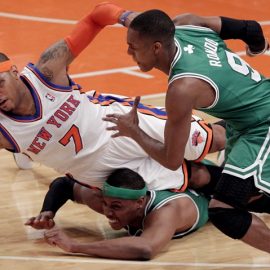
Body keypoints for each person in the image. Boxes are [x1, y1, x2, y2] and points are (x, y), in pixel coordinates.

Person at [0, 3, 225, 213]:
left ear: (13, 72)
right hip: (95, 170)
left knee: (211, 141)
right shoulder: (3, 131)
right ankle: (243, 195)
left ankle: (256, 134)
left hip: (116, 126)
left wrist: (126, 17)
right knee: (191, 178)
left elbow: (97, 15)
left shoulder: (48, 72)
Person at [103, 6, 270, 252]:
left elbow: (171, 159)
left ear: (156, 47)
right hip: (247, 122)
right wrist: (257, 47)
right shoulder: (187, 24)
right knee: (248, 195)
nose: (128, 51)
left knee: (225, 211)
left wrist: (134, 131)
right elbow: (251, 29)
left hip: (262, 125)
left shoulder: (182, 88)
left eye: (133, 47)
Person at [36, 168, 210, 260]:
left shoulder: (166, 211)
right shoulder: (112, 200)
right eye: (105, 203)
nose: (107, 212)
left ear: (139, 203)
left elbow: (145, 249)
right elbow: (64, 184)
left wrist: (75, 246)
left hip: (213, 188)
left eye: (116, 207)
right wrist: (47, 212)